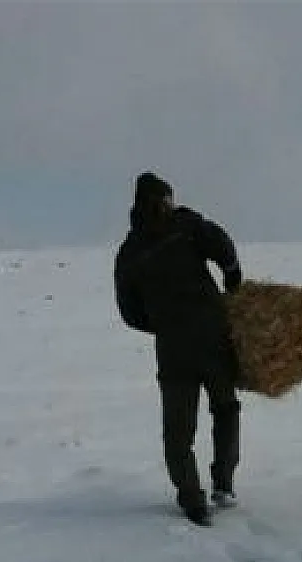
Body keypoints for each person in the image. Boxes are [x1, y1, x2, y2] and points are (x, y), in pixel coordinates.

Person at [114, 172, 245, 525]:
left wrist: (161, 323)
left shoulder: (129, 252)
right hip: (212, 335)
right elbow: (223, 247)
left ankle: (192, 499)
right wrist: (233, 281)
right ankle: (224, 483)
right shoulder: (184, 223)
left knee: (178, 429)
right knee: (226, 407)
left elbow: (129, 312)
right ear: (164, 199)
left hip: (172, 348)